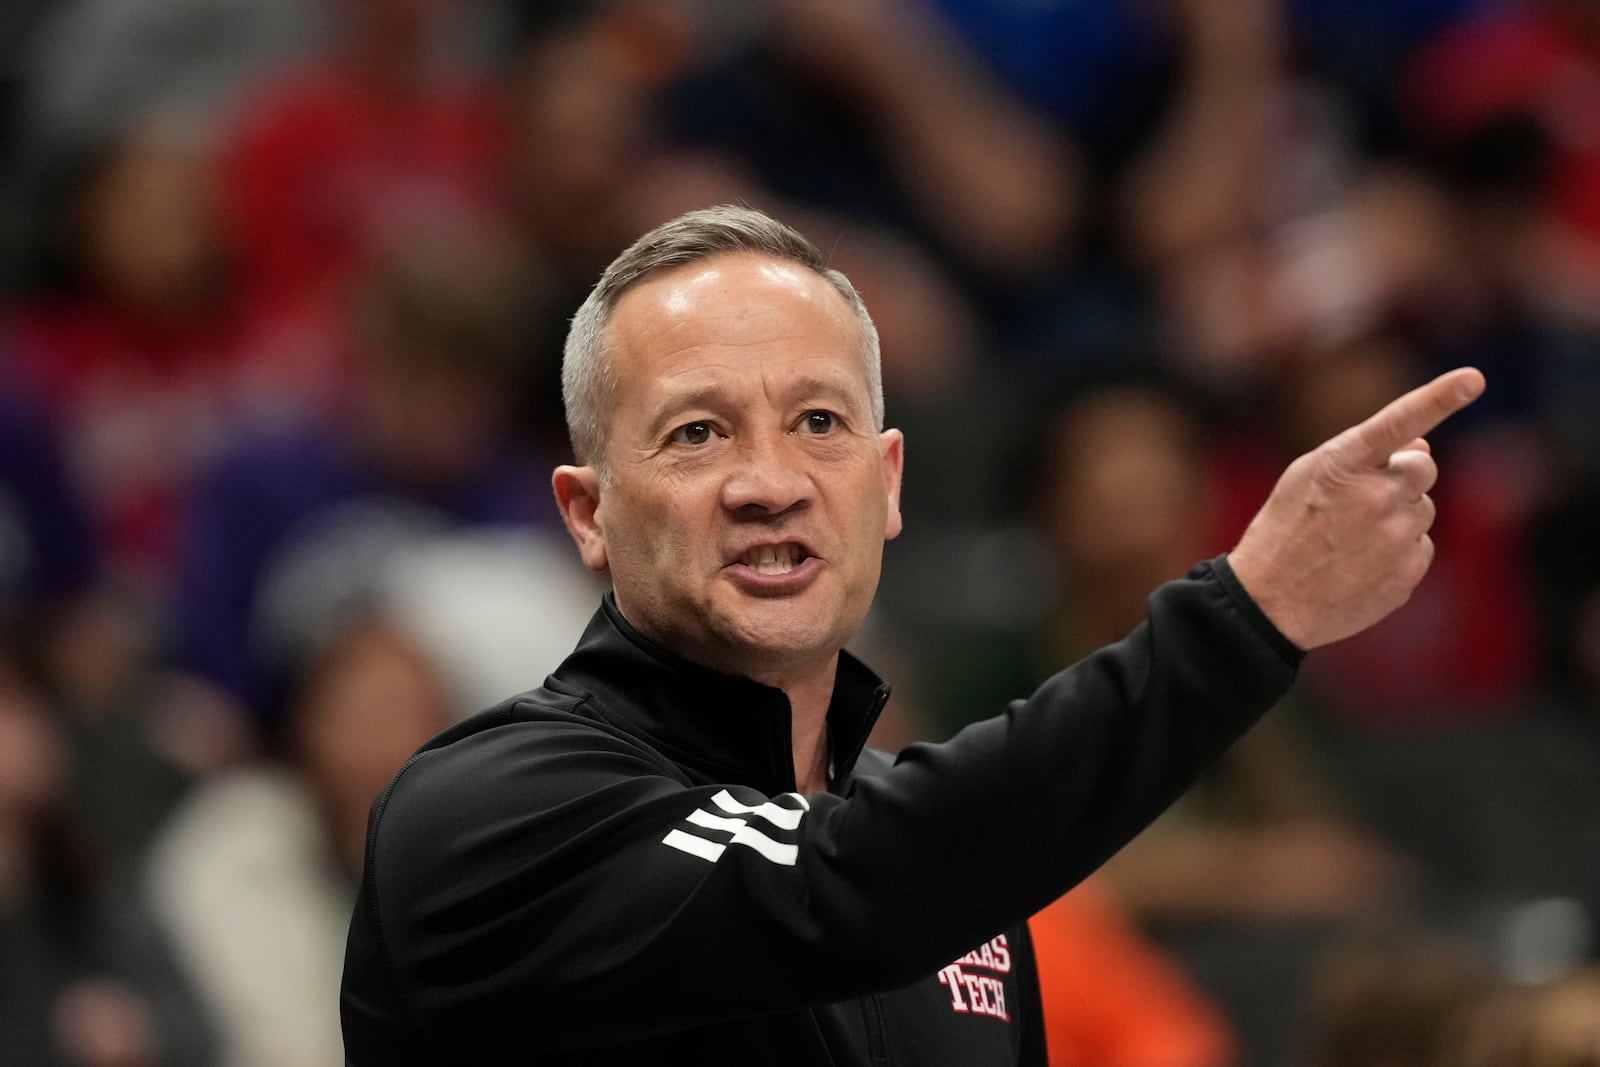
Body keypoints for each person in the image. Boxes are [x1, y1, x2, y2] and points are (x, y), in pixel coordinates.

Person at [339, 204, 1485, 1064]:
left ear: (886, 485)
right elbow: (849, 880)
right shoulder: (494, 811)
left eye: (819, 422)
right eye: (696, 433)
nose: (769, 482)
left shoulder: (969, 894)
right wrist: (1246, 615)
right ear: (588, 512)